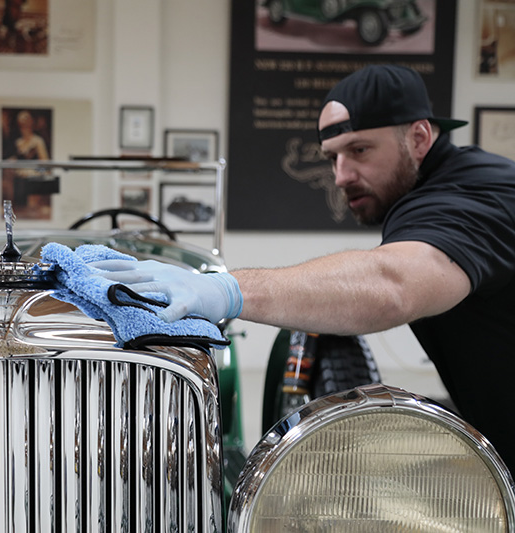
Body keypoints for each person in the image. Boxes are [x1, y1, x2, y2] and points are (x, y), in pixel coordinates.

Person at [91, 64, 515, 473]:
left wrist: (226, 290)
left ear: (419, 136)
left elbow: (392, 284)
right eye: (332, 157)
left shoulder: (472, 197)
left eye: (360, 150)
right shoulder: (451, 185)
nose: (341, 175)